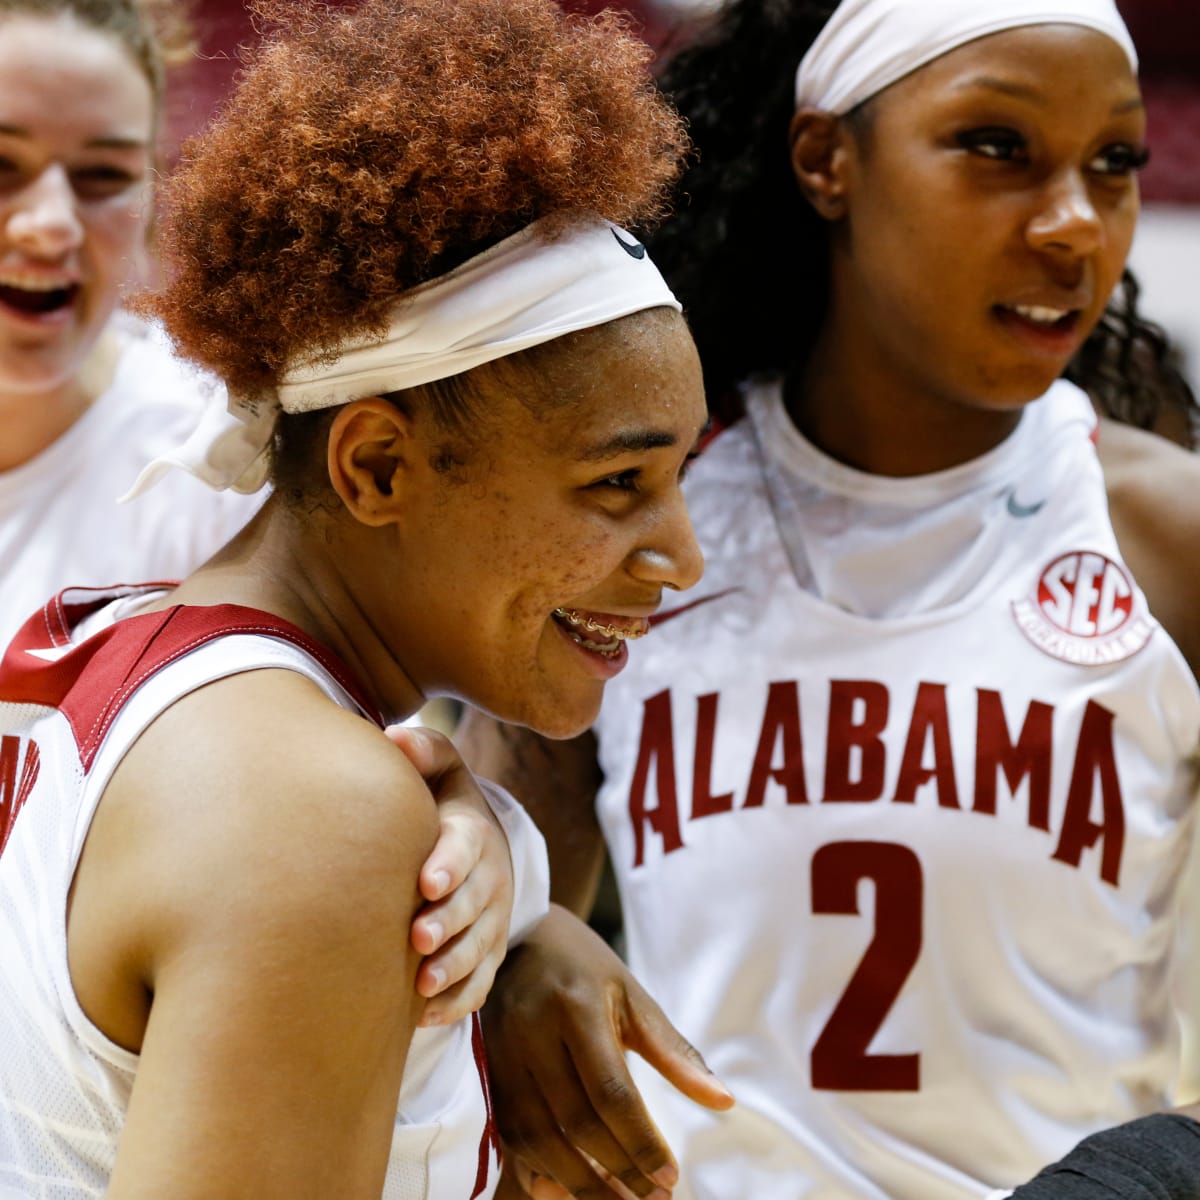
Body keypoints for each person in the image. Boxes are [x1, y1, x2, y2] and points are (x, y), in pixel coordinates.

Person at [458, 0, 1200, 1197]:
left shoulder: (1168, 538)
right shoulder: (635, 529)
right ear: (827, 160)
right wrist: (522, 929)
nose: (1074, 223)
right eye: (997, 147)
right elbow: (473, 843)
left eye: (1114, 162)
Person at [0, 0, 726, 1193]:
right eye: (618, 483)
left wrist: (519, 890)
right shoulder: (313, 809)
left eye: (679, 477)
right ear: (377, 467)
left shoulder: (165, 656)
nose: (681, 555)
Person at [0, 0, 524, 1032]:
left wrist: (499, 851)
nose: (51, 222)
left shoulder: (214, 464)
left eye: (105, 177)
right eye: (2, 165)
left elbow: (394, 794)